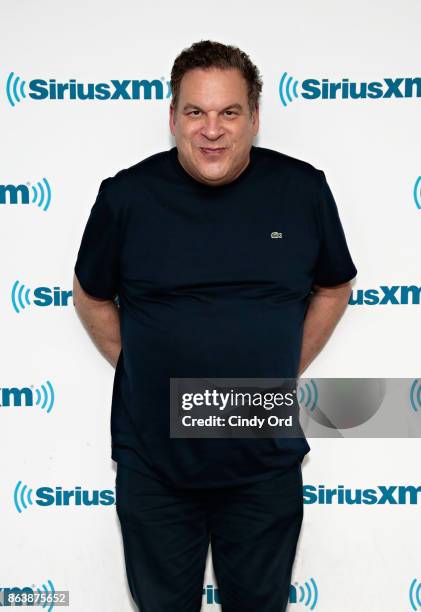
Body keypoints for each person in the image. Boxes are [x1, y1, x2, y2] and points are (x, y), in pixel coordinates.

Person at [73, 40, 357, 612]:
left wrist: (275, 373)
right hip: (154, 462)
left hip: (262, 458)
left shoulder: (302, 190)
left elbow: (334, 286)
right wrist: (145, 369)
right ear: (172, 116)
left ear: (254, 116)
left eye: (229, 112)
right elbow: (92, 294)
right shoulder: (127, 196)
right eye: (195, 112)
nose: (212, 130)